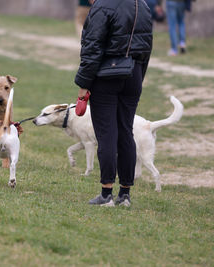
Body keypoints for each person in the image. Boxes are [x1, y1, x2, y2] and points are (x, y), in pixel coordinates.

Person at [74, 0, 153, 207]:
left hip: (107, 76)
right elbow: (146, 47)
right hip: (134, 74)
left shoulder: (103, 6)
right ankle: (125, 194)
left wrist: (83, 86)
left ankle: (106, 193)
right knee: (125, 131)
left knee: (107, 134)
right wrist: (138, 77)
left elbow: (92, 49)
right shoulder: (142, 5)